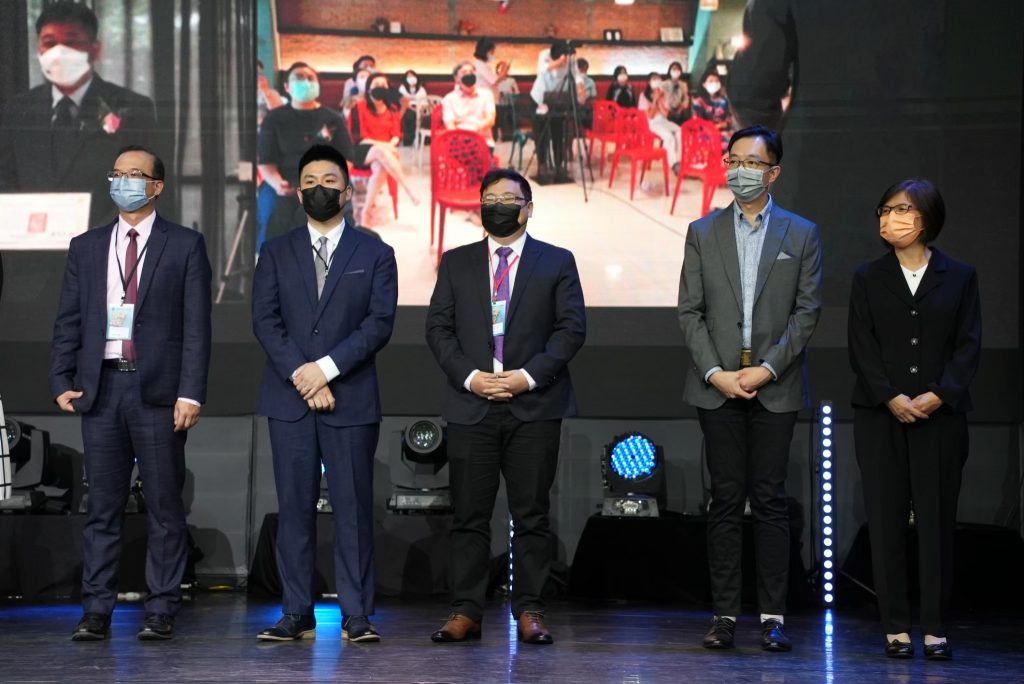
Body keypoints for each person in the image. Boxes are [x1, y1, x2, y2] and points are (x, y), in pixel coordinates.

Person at [49, 145, 212, 641]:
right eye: (117, 174)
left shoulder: (185, 245)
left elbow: (196, 327)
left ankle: (161, 608)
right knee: (102, 508)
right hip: (101, 389)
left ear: (156, 186)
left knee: (164, 507)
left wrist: (191, 393)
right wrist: (61, 379)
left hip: (158, 392)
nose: (124, 182)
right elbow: (69, 319)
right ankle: (96, 610)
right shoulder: (86, 246)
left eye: (135, 174)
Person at [425, 168, 585, 646]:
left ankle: (530, 609)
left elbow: (571, 329)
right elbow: (438, 329)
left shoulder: (557, 261)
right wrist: (472, 378)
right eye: (489, 198)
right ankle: (465, 611)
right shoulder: (456, 262)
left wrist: (527, 377)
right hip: (471, 404)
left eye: (508, 199)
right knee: (468, 516)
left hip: (534, 404)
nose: (497, 206)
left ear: (528, 208)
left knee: (531, 515)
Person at [678, 125, 822, 652]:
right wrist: (715, 372)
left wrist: (768, 369)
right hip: (716, 386)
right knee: (724, 499)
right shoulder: (702, 231)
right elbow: (689, 311)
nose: (740, 170)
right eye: (734, 160)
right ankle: (723, 616)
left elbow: (807, 312)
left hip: (774, 386)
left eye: (753, 163)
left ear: (773, 172)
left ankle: (772, 616)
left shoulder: (801, 233)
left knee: (769, 500)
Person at [253, 144, 397, 644]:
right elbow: (265, 321)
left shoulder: (375, 253)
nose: (320, 189)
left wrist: (327, 370)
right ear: (297, 193)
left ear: (348, 190)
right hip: (290, 400)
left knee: (353, 509)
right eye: (310, 182)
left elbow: (379, 323)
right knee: (294, 509)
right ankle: (296, 612)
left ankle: (356, 614)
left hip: (350, 398)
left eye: (330, 181)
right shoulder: (275, 251)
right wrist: (303, 374)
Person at [848, 179, 980, 661]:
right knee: (885, 523)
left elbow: (968, 345)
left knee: (936, 523)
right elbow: (861, 346)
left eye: (901, 210)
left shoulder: (959, 276)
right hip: (880, 416)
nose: (890, 219)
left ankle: (935, 627)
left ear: (926, 217)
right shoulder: (868, 276)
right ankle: (896, 627)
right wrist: (890, 396)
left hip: (940, 417)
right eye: (884, 211)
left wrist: (939, 394)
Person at [0, 1, 157, 229]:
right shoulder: (18, 110)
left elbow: (143, 190)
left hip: (105, 244)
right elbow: (5, 181)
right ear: (39, 50)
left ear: (95, 50)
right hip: (30, 244)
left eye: (72, 42)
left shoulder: (131, 108)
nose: (59, 53)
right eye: (49, 43)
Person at [257, 62, 354, 252]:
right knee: (273, 214)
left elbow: (347, 159)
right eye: (299, 78)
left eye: (310, 78)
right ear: (287, 87)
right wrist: (277, 183)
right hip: (284, 180)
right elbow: (266, 162)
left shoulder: (333, 118)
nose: (306, 82)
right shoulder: (274, 119)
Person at [349, 73, 420, 227]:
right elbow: (358, 137)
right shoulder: (359, 107)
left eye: (383, 85)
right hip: (361, 151)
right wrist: (386, 146)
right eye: (376, 85)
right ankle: (408, 190)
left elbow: (396, 135)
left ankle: (366, 211)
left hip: (384, 154)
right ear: (369, 88)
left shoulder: (392, 109)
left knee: (381, 165)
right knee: (380, 152)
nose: (380, 88)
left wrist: (389, 145)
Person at [529, 41, 575, 180]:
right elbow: (543, 69)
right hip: (539, 98)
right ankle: (542, 164)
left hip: (557, 99)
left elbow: (576, 76)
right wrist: (559, 62)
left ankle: (559, 164)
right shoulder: (544, 54)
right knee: (541, 133)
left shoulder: (570, 59)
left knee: (558, 133)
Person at [442, 61, 497, 149]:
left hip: (483, 142)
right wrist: (460, 139)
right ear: (456, 79)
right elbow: (450, 125)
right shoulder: (449, 99)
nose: (468, 74)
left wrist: (473, 132)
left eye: (471, 72)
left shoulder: (486, 94)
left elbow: (491, 120)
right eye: (464, 72)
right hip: (458, 144)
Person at [638, 72, 682, 174]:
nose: (657, 81)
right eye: (654, 79)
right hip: (651, 123)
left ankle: (678, 160)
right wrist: (655, 100)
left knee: (680, 131)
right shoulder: (643, 95)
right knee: (669, 136)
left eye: (659, 79)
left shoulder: (664, 94)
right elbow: (650, 115)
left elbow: (665, 114)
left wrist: (660, 99)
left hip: (663, 120)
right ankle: (673, 164)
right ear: (649, 82)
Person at [692, 69, 733, 149]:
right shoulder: (698, 102)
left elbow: (730, 118)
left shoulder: (724, 100)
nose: (714, 83)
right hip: (706, 133)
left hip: (724, 131)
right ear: (704, 84)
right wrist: (713, 128)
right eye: (711, 81)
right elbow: (697, 123)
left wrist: (720, 125)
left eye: (716, 81)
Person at [472, 37, 511, 101]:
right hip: (484, 99)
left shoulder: (482, 65)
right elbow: (494, 81)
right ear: (485, 51)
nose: (493, 55)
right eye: (492, 52)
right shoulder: (481, 65)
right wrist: (504, 70)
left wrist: (503, 72)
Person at [398, 69, 428, 146]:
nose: (411, 78)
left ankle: (422, 139)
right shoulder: (402, 88)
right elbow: (402, 101)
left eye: (413, 76)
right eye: (409, 76)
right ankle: (408, 140)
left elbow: (424, 101)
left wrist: (420, 108)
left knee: (424, 116)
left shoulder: (421, 89)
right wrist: (412, 108)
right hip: (407, 108)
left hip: (420, 109)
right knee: (410, 115)